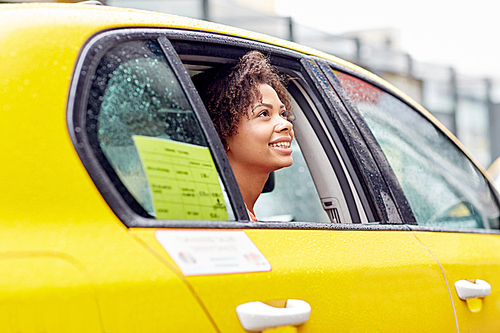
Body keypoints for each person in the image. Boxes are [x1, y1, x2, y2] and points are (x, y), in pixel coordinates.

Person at [192, 51, 294, 221]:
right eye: (263, 114)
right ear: (220, 133)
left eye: (283, 113)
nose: (286, 124)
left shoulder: (235, 215)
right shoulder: (221, 218)